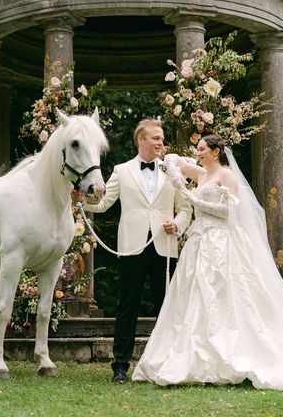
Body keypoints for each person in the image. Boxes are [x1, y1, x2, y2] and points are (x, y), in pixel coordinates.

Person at [132, 134, 283, 391]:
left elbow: (229, 212)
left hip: (222, 242)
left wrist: (190, 197)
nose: (198, 153)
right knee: (196, 297)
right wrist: (170, 162)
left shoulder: (226, 176)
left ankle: (231, 352)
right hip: (199, 242)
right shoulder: (201, 173)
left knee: (226, 295)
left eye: (202, 149)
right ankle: (197, 354)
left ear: (216, 152)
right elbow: (175, 162)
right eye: (197, 149)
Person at [84, 119, 192, 384]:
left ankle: (169, 362)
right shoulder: (122, 170)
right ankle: (120, 365)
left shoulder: (172, 170)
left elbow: (186, 208)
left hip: (164, 245)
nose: (161, 143)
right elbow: (104, 203)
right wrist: (81, 200)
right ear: (140, 139)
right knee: (127, 306)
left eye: (162, 138)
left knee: (166, 306)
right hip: (132, 246)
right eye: (156, 138)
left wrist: (176, 225)